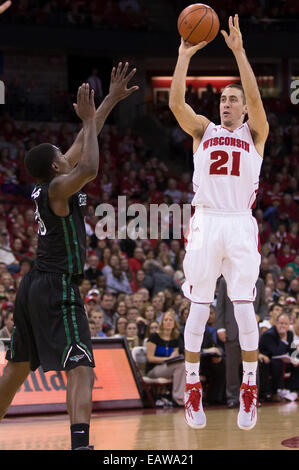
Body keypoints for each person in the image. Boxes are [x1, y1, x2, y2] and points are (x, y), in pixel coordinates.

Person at [0, 62, 139, 451]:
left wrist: (108, 101)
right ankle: (80, 446)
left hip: (34, 287)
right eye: (63, 154)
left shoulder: (53, 181)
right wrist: (91, 121)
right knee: (81, 367)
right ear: (56, 166)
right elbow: (91, 165)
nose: (68, 154)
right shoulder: (58, 189)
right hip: (56, 286)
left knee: (16, 370)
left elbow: (81, 142)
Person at [169, 14, 269, 430]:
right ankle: (192, 386)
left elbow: (257, 102)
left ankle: (249, 387)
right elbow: (176, 104)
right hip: (207, 221)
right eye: (223, 100)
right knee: (198, 307)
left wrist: (240, 52)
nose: (226, 104)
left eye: (234, 100)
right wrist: (182, 56)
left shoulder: (255, 133)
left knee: (244, 310)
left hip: (240, 224)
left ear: (243, 107)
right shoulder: (203, 131)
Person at [215, 276, 267, 408]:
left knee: (252, 366)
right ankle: (232, 397)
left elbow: (264, 305)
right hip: (231, 329)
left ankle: (252, 397)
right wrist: (220, 327)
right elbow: (220, 305)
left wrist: (259, 315)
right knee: (231, 366)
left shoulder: (258, 281)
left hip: (251, 330)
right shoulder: (225, 280)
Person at [145, 310, 185, 406]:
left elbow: (176, 354)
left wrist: (175, 356)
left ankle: (179, 397)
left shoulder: (176, 337)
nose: (168, 322)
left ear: (174, 323)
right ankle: (178, 398)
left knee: (183, 365)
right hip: (154, 369)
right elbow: (150, 358)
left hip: (169, 367)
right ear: (162, 323)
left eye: (170, 320)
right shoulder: (154, 336)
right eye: (165, 320)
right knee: (181, 366)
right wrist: (166, 360)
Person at [259, 313, 299, 401]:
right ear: (276, 323)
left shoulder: (289, 334)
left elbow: (292, 349)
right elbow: (276, 352)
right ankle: (276, 392)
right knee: (277, 363)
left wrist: (295, 358)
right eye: (281, 323)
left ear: (289, 325)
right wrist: (283, 339)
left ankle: (294, 390)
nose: (283, 326)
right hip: (267, 359)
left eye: (286, 324)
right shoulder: (269, 334)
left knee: (296, 362)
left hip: (280, 358)